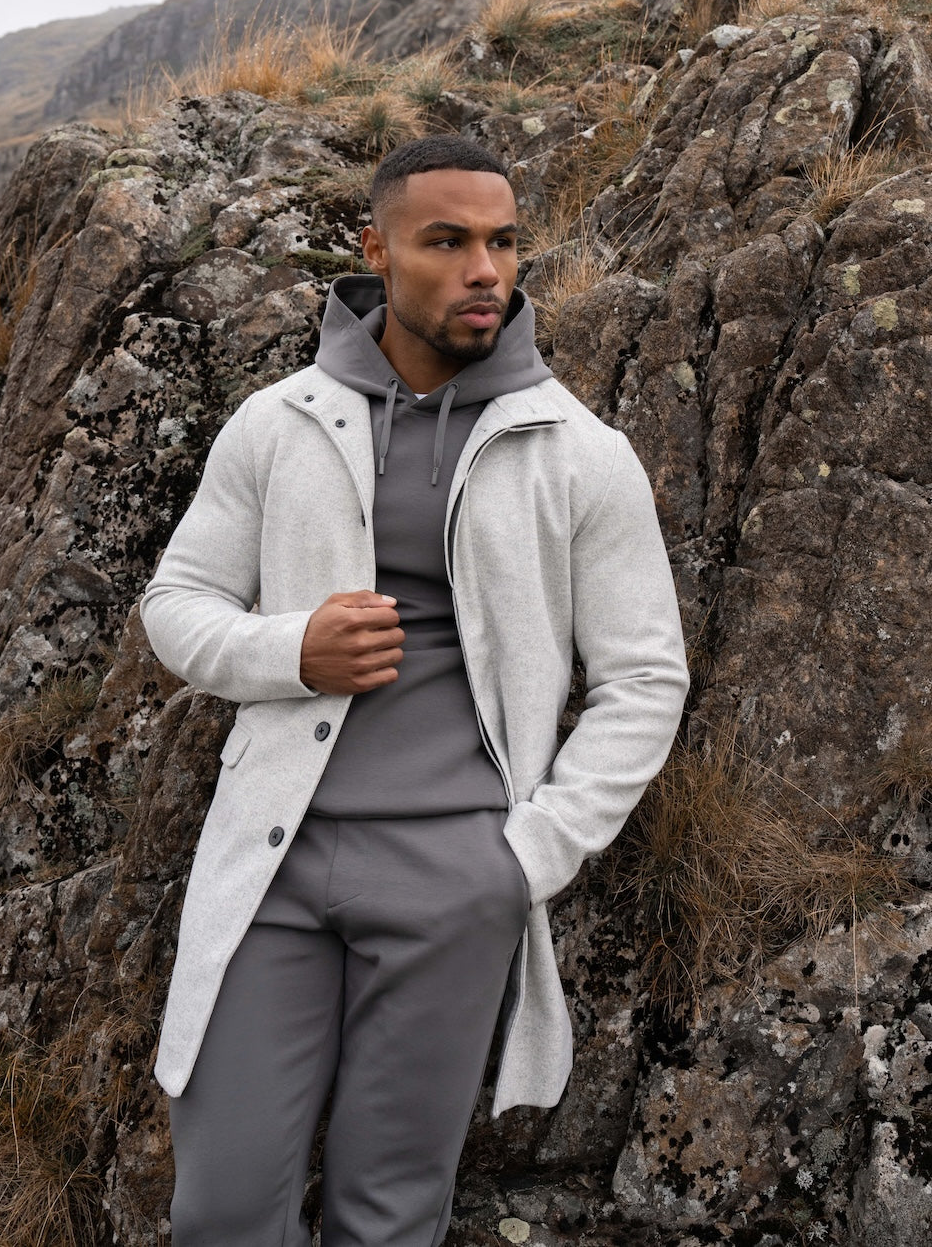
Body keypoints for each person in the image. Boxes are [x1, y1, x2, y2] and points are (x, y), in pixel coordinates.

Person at [140, 135, 689, 1247]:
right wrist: (294, 651)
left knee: (389, 1216)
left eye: (503, 242)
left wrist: (525, 857)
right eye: (447, 242)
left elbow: (643, 679)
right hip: (273, 862)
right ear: (377, 251)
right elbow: (177, 603)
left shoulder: (580, 452)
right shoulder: (278, 422)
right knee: (222, 1211)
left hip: (457, 874)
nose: (485, 270)